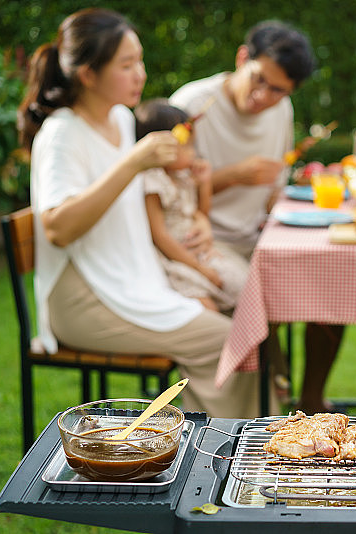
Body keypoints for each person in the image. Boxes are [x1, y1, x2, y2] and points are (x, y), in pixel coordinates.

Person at [18, 8, 260, 418]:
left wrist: (195, 230)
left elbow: (153, 207)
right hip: (83, 298)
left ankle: (253, 442)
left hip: (135, 280)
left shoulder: (120, 118)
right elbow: (58, 228)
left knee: (238, 316)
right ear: (88, 74)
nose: (140, 75)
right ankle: (224, 458)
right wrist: (132, 163)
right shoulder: (62, 134)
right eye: (126, 65)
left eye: (139, 61)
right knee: (225, 340)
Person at [170, 20, 342, 414]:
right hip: (202, 243)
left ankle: (307, 400)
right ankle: (270, 400)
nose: (263, 96)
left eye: (278, 90)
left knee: (329, 286)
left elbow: (272, 194)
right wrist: (233, 175)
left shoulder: (280, 110)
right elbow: (166, 193)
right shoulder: (194, 104)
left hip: (256, 241)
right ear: (242, 57)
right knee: (264, 299)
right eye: (258, 80)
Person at [134, 98, 250, 314]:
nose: (193, 153)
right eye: (186, 146)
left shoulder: (183, 177)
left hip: (196, 252)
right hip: (175, 260)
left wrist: (204, 183)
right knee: (208, 309)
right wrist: (200, 270)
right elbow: (159, 235)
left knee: (244, 284)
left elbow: (200, 212)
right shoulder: (153, 181)